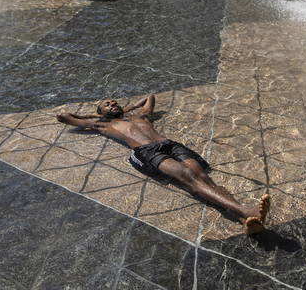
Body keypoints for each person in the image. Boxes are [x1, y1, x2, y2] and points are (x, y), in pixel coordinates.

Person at [56, 94, 272, 234]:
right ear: (101, 112)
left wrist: (128, 107)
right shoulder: (102, 125)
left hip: (170, 145)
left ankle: (246, 221)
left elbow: (149, 97)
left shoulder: (139, 115)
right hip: (147, 152)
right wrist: (96, 113)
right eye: (107, 104)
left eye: (114, 102)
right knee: (189, 179)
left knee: (204, 178)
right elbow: (64, 116)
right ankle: (244, 210)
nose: (112, 105)